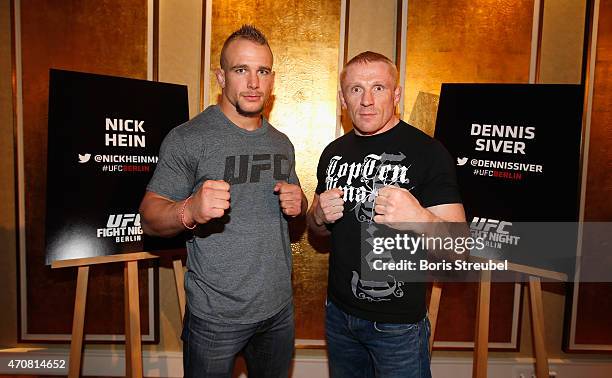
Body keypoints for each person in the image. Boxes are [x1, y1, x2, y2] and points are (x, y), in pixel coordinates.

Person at [140, 25, 306, 378]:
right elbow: (149, 217)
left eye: (262, 71)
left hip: (278, 311)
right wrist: (190, 209)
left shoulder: (282, 143)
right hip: (215, 316)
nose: (253, 83)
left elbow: (292, 208)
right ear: (221, 76)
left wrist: (300, 203)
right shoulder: (189, 138)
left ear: (272, 79)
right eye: (240, 70)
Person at [307, 51, 466, 378]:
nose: (366, 100)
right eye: (356, 89)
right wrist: (318, 216)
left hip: (397, 327)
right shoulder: (333, 153)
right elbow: (316, 232)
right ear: (342, 97)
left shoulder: (428, 153)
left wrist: (418, 217)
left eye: (378, 88)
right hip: (338, 315)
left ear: (396, 95)